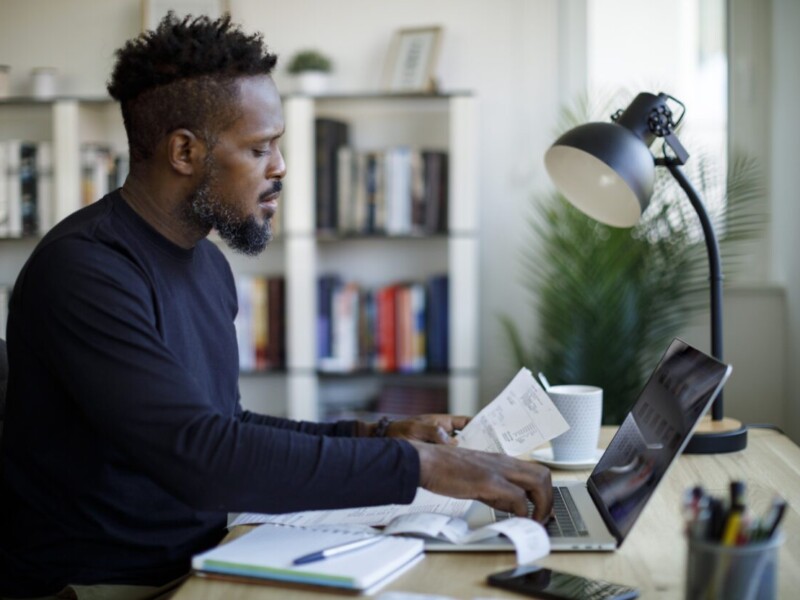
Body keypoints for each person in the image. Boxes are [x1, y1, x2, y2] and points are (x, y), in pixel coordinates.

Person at [0, 13, 552, 600]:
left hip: (205, 555)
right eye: (261, 148)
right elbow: (203, 458)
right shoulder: (86, 271)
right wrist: (421, 466)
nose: (280, 167)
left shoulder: (204, 263)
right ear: (184, 151)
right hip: (106, 585)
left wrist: (377, 431)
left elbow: (225, 426)